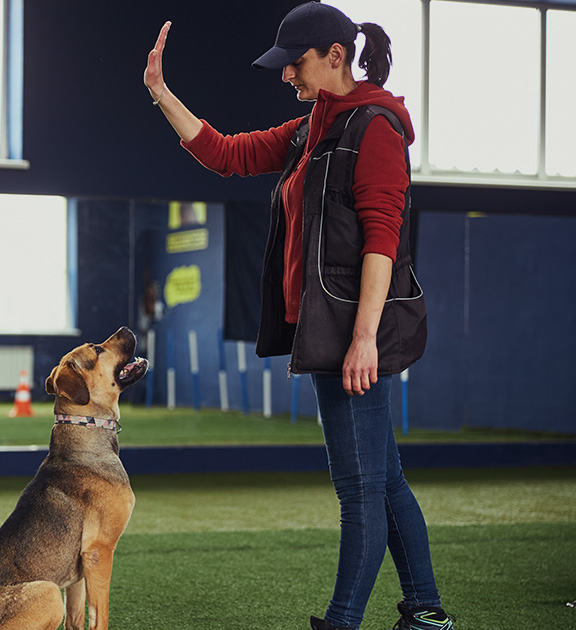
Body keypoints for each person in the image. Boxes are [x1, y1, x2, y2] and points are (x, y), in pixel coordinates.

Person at [143, 3, 450, 630]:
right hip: (329, 332)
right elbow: (226, 153)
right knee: (383, 481)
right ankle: (427, 611)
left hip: (353, 337)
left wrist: (363, 339)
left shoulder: (375, 130)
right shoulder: (314, 127)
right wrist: (160, 93)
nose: (286, 75)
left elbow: (382, 239)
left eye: (296, 63)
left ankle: (343, 623)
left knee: (358, 490)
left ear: (335, 55)